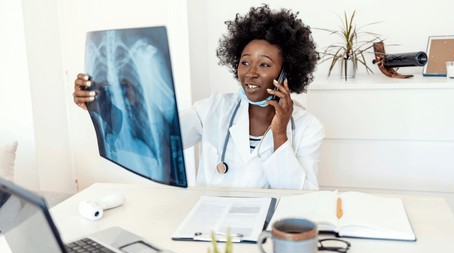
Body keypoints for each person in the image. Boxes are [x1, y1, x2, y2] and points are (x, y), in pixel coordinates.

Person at [73, 4, 324, 190]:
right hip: (211, 227)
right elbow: (159, 136)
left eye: (265, 65)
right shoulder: (213, 109)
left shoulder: (308, 128)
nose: (251, 73)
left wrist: (280, 134)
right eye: (245, 62)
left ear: (286, 73)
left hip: (269, 233)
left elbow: (304, 198)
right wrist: (105, 105)